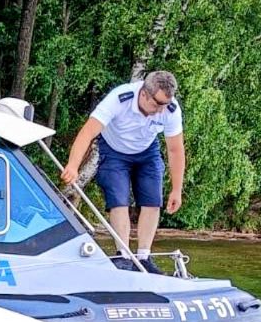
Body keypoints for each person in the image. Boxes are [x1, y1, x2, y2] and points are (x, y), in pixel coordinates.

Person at [60, 71, 184, 274]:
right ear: (144, 94)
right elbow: (88, 132)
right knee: (119, 199)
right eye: (157, 104)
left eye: (165, 104)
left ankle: (144, 257)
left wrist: (177, 189)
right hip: (114, 150)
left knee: (153, 200)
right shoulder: (119, 99)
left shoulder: (170, 109)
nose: (161, 110)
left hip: (147, 151)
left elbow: (175, 149)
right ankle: (123, 255)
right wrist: (73, 165)